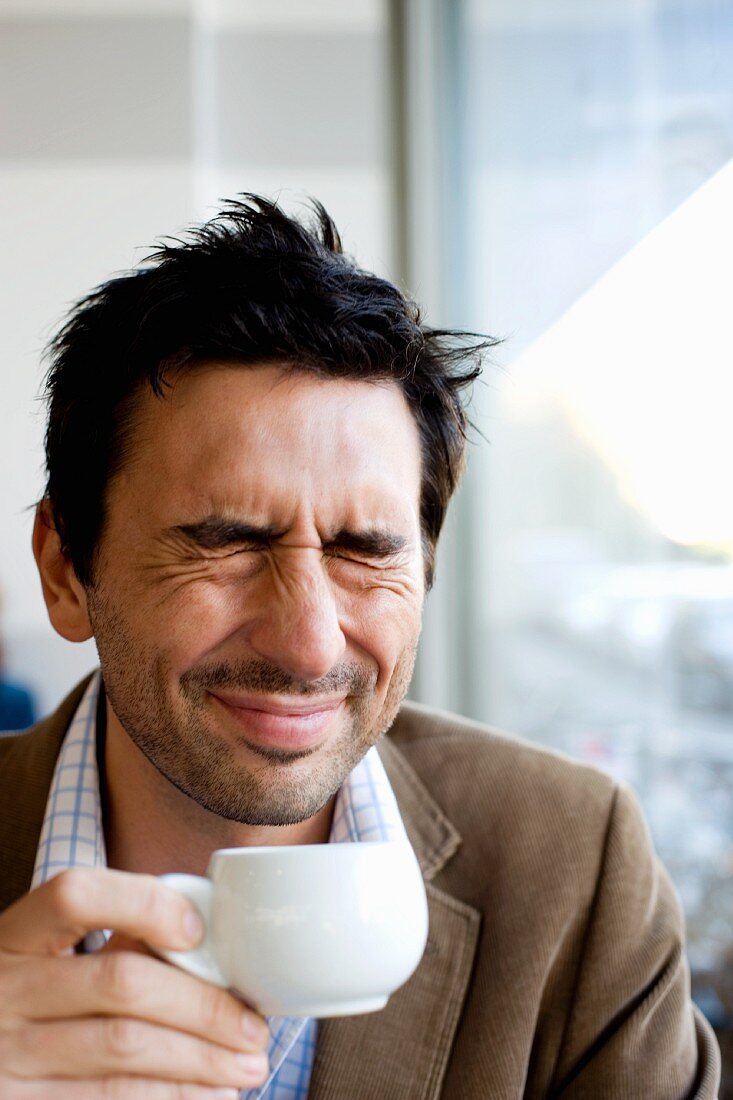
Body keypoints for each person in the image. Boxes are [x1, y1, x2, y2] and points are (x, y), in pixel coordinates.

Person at [0, 195, 720, 1100]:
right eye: (225, 544)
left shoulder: (577, 867)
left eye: (363, 553)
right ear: (67, 569)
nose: (307, 645)